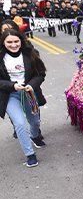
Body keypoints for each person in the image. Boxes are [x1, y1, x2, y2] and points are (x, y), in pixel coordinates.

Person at [0, 29, 47, 167]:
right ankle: (30, 154)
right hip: (9, 95)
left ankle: (34, 136)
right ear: (3, 42)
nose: (13, 45)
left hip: (29, 93)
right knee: (19, 123)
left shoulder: (31, 53)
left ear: (21, 40)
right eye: (9, 42)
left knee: (35, 121)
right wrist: (12, 85)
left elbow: (40, 74)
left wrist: (32, 85)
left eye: (16, 41)